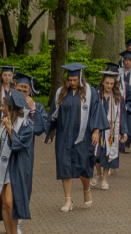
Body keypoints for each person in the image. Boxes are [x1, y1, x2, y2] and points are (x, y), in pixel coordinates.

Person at [0, 89, 46, 234]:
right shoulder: (0, 122)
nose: (1, 107)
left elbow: (20, 145)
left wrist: (10, 130)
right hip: (0, 168)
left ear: (10, 107)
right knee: (3, 202)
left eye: (4, 105)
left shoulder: (25, 125)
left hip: (15, 168)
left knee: (11, 202)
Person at [44, 63, 99, 212]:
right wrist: (49, 133)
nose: (72, 83)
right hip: (64, 134)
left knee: (83, 166)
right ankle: (68, 199)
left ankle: (86, 190)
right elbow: (54, 114)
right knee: (65, 166)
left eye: (75, 80)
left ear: (81, 79)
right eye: (70, 80)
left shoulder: (91, 93)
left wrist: (96, 131)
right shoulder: (61, 92)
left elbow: (96, 113)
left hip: (84, 135)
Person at [93, 68, 129, 190]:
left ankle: (104, 179)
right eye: (107, 83)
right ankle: (98, 174)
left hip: (112, 129)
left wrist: (124, 131)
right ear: (103, 82)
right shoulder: (96, 95)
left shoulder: (118, 97)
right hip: (98, 129)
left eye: (111, 83)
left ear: (114, 84)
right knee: (96, 154)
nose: (109, 86)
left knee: (108, 154)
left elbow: (122, 115)